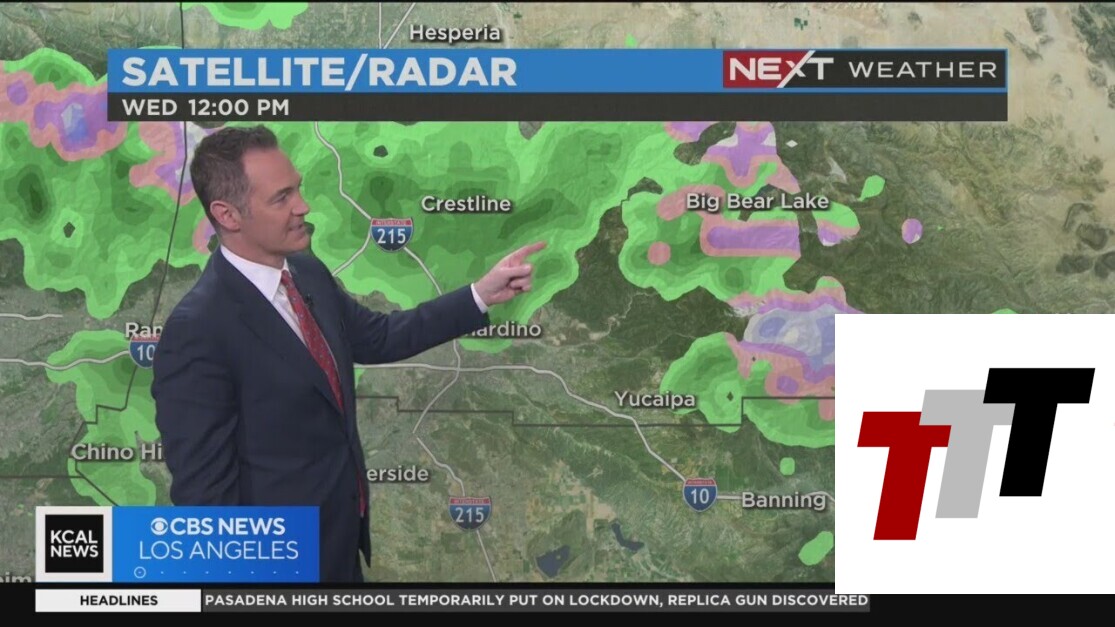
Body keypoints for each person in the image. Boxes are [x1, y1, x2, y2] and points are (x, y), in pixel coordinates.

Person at [151, 125, 544, 582]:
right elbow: (204, 501)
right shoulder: (199, 330)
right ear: (228, 215)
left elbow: (378, 337)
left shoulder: (306, 272)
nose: (303, 206)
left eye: (298, 188)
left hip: (339, 548)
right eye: (282, 198)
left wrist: (479, 295)